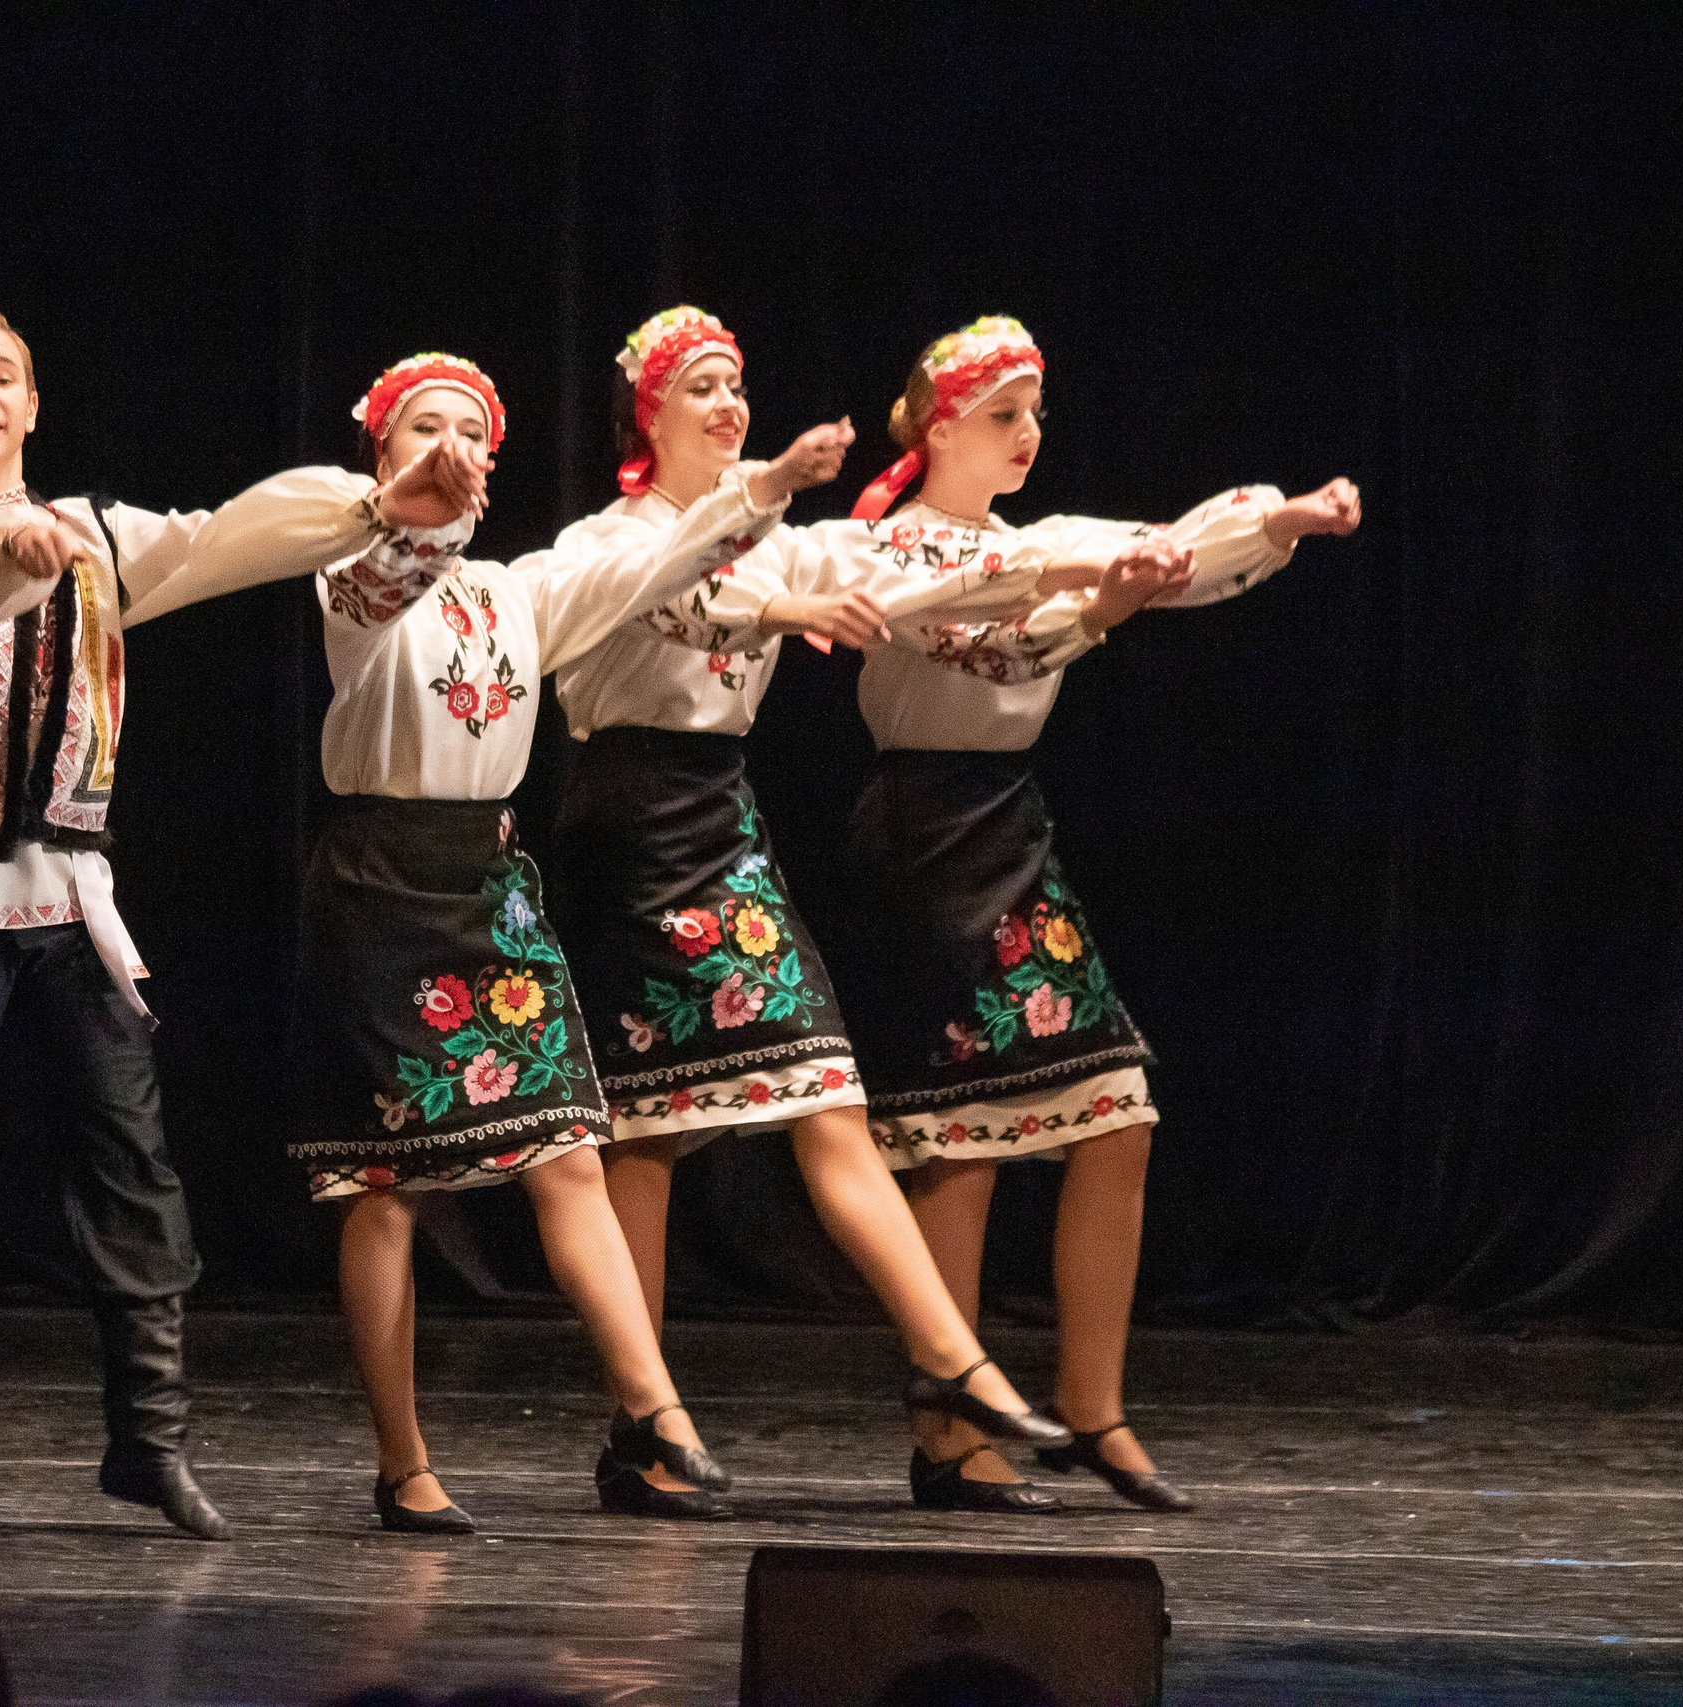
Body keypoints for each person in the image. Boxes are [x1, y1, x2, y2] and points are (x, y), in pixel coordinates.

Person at [0, 308, 484, 1535]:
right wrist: (14, 546)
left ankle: (148, 1440)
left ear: (34, 407)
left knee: (132, 1167)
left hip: (69, 901)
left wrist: (372, 506)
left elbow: (222, 541)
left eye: (5, 378)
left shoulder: (101, 537)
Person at [551, 307, 1197, 1484]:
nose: (729, 403)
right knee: (648, 1131)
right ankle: (648, 1423)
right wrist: (782, 573)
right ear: (645, 412)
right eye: (701, 385)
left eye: (736, 381)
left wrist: (1129, 560)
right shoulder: (600, 540)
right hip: (630, 817)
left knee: (824, 1091)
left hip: (720, 815)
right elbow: (660, 594)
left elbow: (913, 564)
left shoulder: (783, 542)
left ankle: (956, 1371)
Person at [265, 351, 845, 1529]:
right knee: (385, 1187)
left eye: (468, 434)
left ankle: (655, 1409)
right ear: (380, 451)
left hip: (486, 878)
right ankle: (404, 1461)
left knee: (569, 1150)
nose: (447, 450)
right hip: (380, 882)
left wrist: (765, 485)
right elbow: (378, 583)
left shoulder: (519, 588)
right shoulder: (350, 567)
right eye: (421, 431)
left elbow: (655, 564)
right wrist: (406, 509)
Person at [841, 316, 1361, 1511]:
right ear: (936, 426)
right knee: (957, 1142)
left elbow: (1164, 545)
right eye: (1002, 415)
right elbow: (989, 637)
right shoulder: (884, 551)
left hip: (1008, 828)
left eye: (1033, 414)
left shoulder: (1036, 540)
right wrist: (1095, 611)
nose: (1027, 435)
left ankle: (1093, 1409)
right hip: (924, 833)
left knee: (1114, 1111)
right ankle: (947, 1430)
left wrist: (1279, 520)